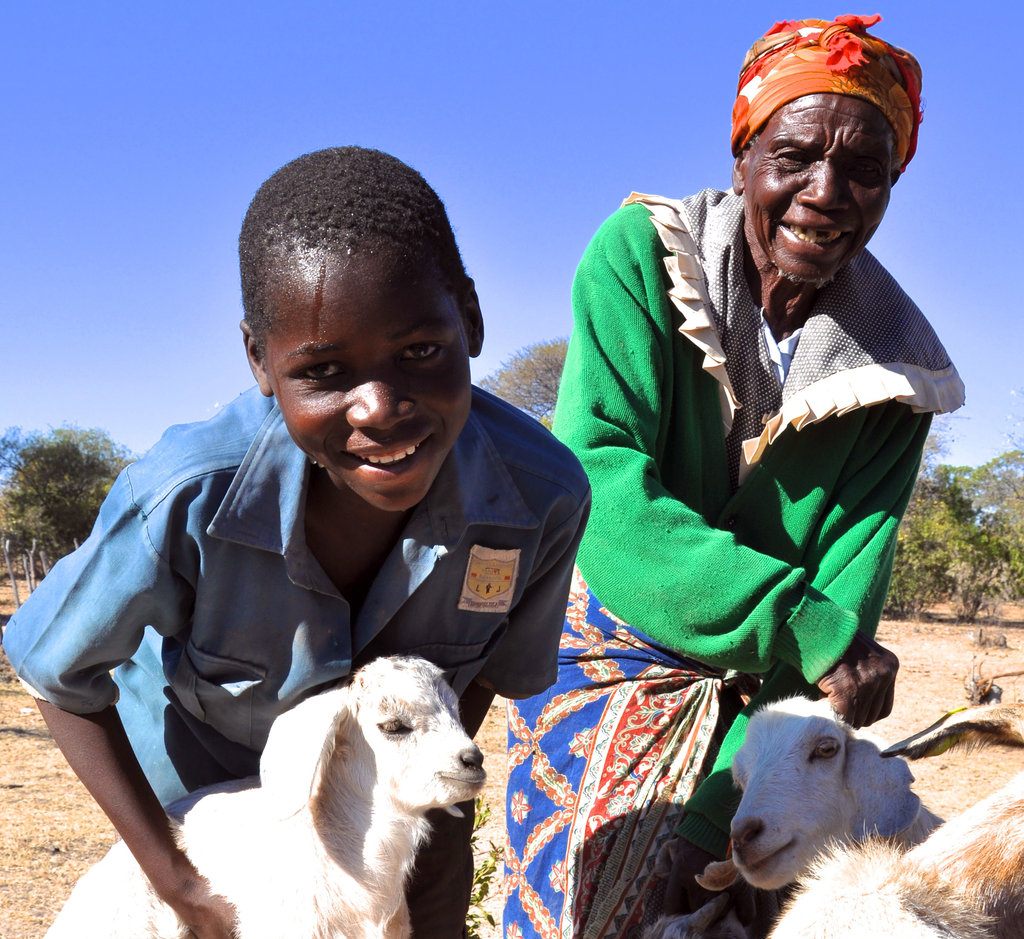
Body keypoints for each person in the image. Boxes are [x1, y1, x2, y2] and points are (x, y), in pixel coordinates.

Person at [3, 146, 591, 939]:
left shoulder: (539, 497)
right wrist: (177, 880)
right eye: (324, 372)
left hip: (392, 806)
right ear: (261, 362)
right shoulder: (187, 493)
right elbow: (56, 672)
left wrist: (414, 802)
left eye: (420, 351)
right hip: (211, 821)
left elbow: (480, 680)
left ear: (471, 320)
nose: (380, 407)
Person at [503, 15, 964, 938]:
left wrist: (719, 820)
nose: (826, 194)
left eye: (865, 171)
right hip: (610, 657)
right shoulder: (641, 260)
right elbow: (606, 489)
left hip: (769, 718)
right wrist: (805, 623)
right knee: (589, 904)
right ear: (744, 149)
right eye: (794, 157)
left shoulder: (898, 377)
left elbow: (838, 626)